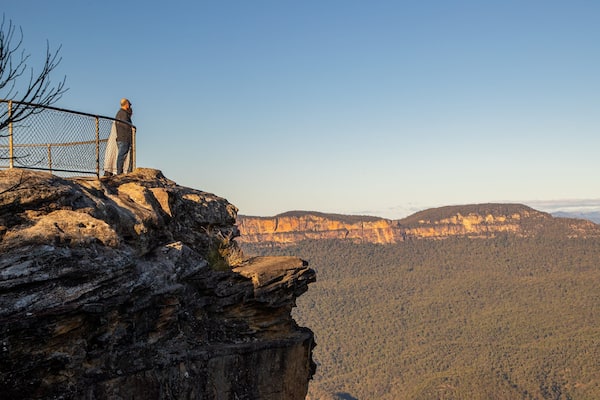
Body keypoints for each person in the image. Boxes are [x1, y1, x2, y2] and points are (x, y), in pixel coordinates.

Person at [114, 98, 134, 174]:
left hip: (121, 137)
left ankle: (120, 171)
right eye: (129, 104)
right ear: (126, 104)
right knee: (121, 156)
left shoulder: (119, 113)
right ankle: (119, 172)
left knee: (121, 155)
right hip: (124, 138)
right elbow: (126, 126)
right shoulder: (124, 114)